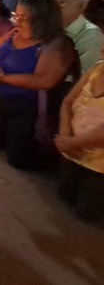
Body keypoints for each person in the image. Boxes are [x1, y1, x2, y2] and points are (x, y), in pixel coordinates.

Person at [0, 0, 79, 169]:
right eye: (17, 15)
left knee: (18, 159)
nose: (17, 21)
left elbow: (44, 81)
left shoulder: (57, 44)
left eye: (24, 17)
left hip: (27, 108)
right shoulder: (14, 33)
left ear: (42, 19)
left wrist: (1, 78)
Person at [55, 43, 104, 222]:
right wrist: (65, 134)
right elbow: (68, 102)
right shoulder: (97, 69)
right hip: (73, 149)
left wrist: (71, 142)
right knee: (64, 194)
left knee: (87, 213)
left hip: (99, 162)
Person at [56, 0, 103, 74]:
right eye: (55, 3)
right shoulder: (52, 29)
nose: (56, 7)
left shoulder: (91, 33)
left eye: (62, 2)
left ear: (80, 6)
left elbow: (88, 73)